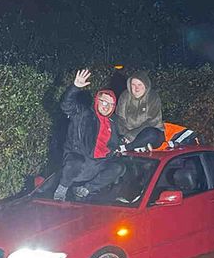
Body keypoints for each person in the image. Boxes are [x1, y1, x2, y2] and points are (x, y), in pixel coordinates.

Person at [53, 69, 125, 201]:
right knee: (75, 162)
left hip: (98, 165)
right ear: (97, 101)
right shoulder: (83, 114)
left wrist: (126, 145)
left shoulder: (114, 123)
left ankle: (85, 190)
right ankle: (62, 189)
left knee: (119, 167)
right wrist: (75, 87)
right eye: (103, 102)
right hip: (80, 162)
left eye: (110, 104)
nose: (106, 106)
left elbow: (117, 143)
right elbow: (66, 105)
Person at [115, 70, 165, 151]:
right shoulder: (124, 96)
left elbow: (152, 121)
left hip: (148, 133)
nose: (136, 88)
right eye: (133, 85)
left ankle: (127, 148)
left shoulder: (153, 97)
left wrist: (131, 136)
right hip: (126, 134)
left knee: (151, 134)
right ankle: (139, 147)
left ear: (145, 85)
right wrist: (124, 135)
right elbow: (120, 118)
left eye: (139, 84)